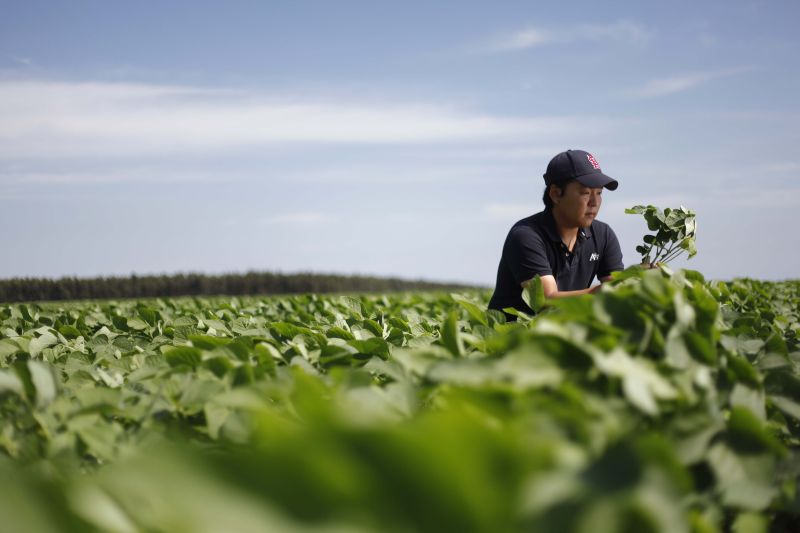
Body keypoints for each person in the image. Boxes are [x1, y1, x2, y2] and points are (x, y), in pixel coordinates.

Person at [488, 149, 624, 319]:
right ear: (555, 194)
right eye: (586, 193)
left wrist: (638, 280)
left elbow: (619, 288)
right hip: (507, 338)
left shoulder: (603, 235)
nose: (594, 202)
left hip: (560, 334)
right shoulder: (525, 235)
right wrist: (605, 291)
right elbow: (545, 301)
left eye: (599, 193)